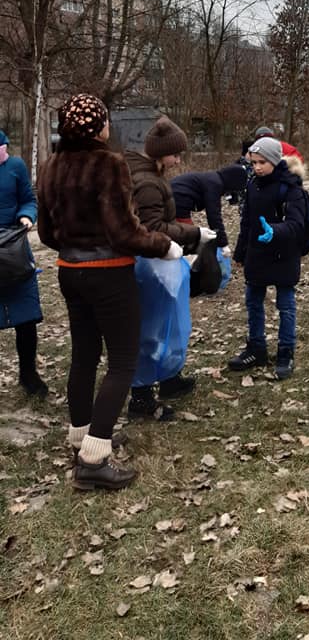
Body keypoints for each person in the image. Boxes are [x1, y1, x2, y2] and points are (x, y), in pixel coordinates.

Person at [36, 93, 179, 491]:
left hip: (70, 272)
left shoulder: (50, 167)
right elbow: (124, 233)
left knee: (83, 357)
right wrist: (165, 245)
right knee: (122, 362)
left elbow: (47, 234)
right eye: (105, 121)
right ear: (98, 127)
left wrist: (76, 249)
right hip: (109, 275)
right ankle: (95, 462)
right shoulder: (109, 165)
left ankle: (83, 439)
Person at [125, 117, 216, 419]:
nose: (179, 160)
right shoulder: (147, 182)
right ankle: (141, 397)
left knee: (171, 323)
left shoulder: (153, 174)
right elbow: (153, 228)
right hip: (150, 265)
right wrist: (194, 234)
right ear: (161, 153)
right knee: (151, 328)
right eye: (175, 154)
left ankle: (168, 378)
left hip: (161, 261)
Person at [228, 136, 305, 380]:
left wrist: (276, 231)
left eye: (262, 162)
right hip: (257, 254)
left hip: (284, 254)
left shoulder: (291, 188)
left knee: (285, 306)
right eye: (254, 162)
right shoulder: (252, 185)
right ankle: (257, 348)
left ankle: (286, 352)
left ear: (274, 160)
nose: (257, 167)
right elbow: (247, 222)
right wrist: (240, 252)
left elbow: (297, 224)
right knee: (253, 301)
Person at [0, 129, 47, 396]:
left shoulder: (15, 166)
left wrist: (27, 216)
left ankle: (28, 373)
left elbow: (29, 200)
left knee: (26, 318)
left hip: (15, 250)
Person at [171, 160, 249, 253]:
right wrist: (223, 243)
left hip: (175, 198)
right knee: (188, 235)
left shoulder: (214, 178)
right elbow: (214, 215)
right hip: (178, 200)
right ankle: (182, 257)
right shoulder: (215, 184)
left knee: (182, 232)